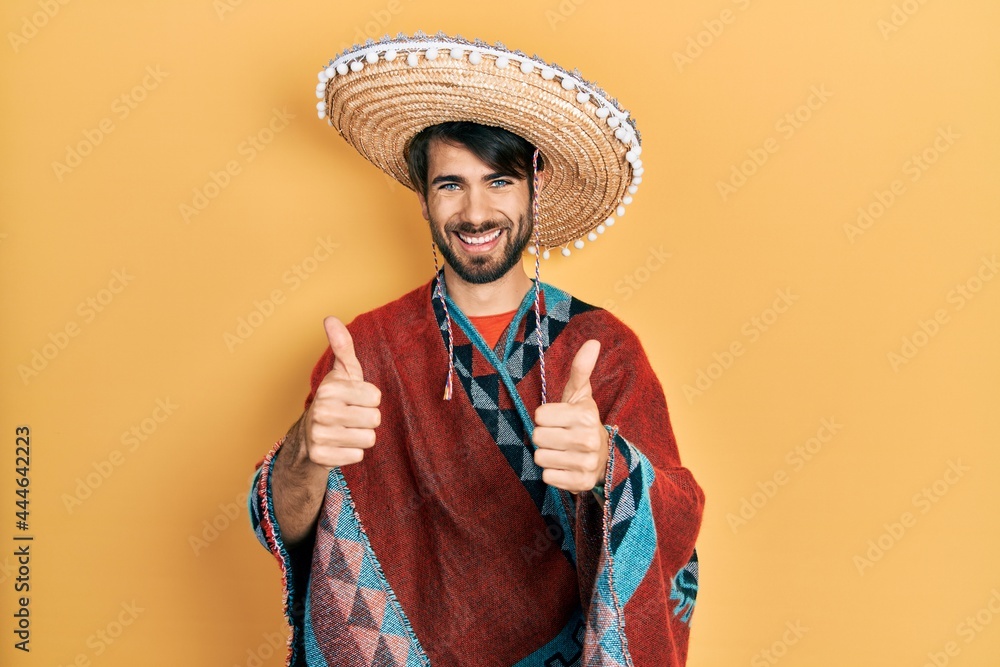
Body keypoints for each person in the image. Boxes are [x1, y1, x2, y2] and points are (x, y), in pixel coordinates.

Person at [249, 32, 704, 667]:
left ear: (534, 187)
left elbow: (679, 521)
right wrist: (307, 448)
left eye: (499, 181)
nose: (476, 210)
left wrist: (609, 466)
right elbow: (288, 529)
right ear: (423, 193)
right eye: (451, 184)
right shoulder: (370, 350)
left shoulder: (603, 348)